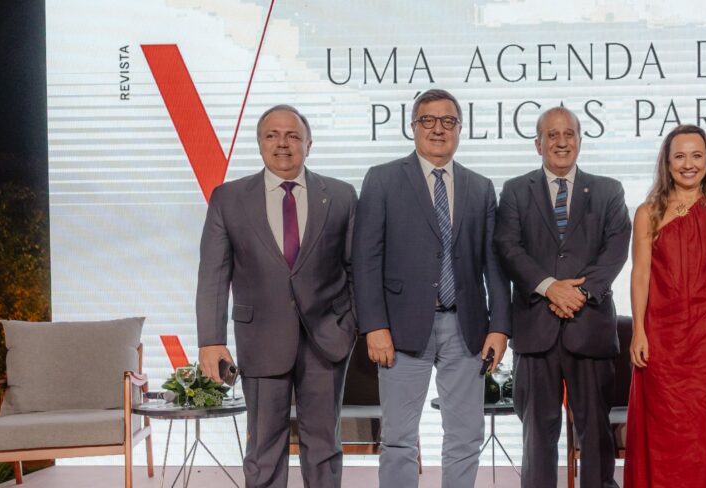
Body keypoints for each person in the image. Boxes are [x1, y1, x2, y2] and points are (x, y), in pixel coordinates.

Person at [352, 88, 511, 488]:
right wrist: (374, 326)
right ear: (413, 126)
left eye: (448, 121)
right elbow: (365, 259)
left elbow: (494, 264)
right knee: (399, 440)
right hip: (400, 331)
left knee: (465, 438)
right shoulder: (383, 179)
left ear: (460, 129)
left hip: (467, 328)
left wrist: (500, 326)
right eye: (428, 120)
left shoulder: (480, 186)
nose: (438, 129)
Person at [196, 104, 358, 487]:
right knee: (264, 448)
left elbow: (356, 269)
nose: (282, 143)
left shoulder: (340, 194)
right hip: (260, 339)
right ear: (259, 143)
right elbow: (214, 275)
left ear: (309, 143)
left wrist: (350, 324)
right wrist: (211, 341)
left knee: (324, 447)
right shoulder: (229, 198)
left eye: (292, 135)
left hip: (327, 340)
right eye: (272, 135)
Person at [494, 106, 631, 488]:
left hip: (590, 327)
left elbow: (615, 251)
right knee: (538, 433)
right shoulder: (515, 191)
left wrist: (580, 293)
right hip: (536, 329)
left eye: (569, 133)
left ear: (580, 141)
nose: (561, 141)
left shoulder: (608, 191)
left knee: (595, 431)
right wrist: (549, 286)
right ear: (538, 143)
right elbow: (508, 247)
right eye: (552, 135)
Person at [623, 124, 706, 488]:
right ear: (667, 162)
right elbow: (640, 275)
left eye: (696, 156)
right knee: (666, 432)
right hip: (662, 337)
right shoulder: (649, 212)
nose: (688, 164)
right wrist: (638, 331)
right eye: (680, 156)